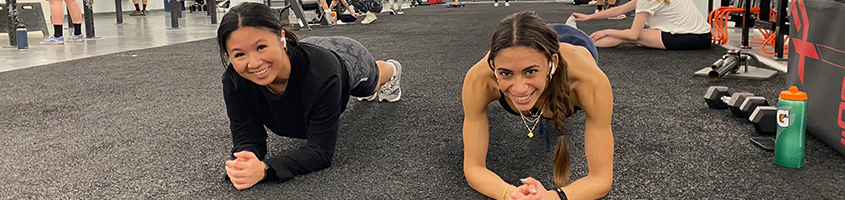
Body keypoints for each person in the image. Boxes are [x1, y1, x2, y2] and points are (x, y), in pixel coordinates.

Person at [216, 2, 403, 190]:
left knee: (370, 87)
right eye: (239, 54)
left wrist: (266, 169)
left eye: (261, 47)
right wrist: (244, 163)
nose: (254, 63)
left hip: (347, 57)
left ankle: (392, 68)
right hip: (306, 49)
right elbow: (247, 137)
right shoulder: (234, 81)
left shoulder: (322, 74)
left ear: (281, 38)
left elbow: (320, 152)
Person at [461, 11, 613, 200]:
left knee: (566, 37)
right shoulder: (479, 79)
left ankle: (571, 25)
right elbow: (473, 167)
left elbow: (601, 179)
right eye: (506, 73)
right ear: (492, 65)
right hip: (538, 46)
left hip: (576, 43)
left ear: (553, 63)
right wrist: (510, 194)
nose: (519, 88)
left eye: (530, 72)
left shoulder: (588, 81)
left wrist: (553, 197)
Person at [571, 0, 711, 50]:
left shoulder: (647, 0)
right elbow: (620, 9)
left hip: (686, 39)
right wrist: (589, 17)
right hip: (705, 37)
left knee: (630, 36)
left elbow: (633, 34)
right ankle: (582, 41)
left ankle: (581, 43)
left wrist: (608, 31)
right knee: (636, 34)